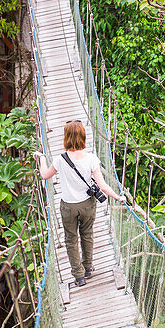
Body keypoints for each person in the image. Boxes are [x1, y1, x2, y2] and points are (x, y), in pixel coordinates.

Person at [33, 120, 124, 287]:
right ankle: (88, 267)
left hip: (68, 206)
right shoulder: (91, 158)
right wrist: (118, 197)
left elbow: (45, 175)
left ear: (66, 137)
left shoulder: (60, 159)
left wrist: (41, 159)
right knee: (87, 234)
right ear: (83, 136)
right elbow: (102, 186)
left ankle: (79, 276)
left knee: (71, 239)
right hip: (87, 204)